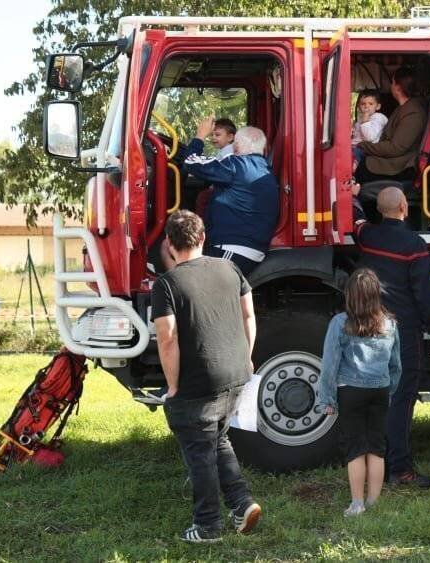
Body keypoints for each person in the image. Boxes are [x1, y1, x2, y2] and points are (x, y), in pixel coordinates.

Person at [151, 210, 261, 543]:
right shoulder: (229, 268)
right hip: (236, 373)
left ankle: (208, 524)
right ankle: (241, 503)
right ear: (202, 238)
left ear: (169, 244)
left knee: (199, 453)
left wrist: (172, 386)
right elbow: (249, 314)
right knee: (217, 439)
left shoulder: (167, 284)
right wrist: (247, 357)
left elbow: (167, 338)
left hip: (199, 381)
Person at [351, 186, 430, 488]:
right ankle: (401, 470)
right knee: (402, 398)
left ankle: (375, 464)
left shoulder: (368, 236)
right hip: (404, 330)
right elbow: (424, 292)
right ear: (404, 206)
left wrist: (353, 195)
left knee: (378, 396)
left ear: (379, 210)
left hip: (372, 328)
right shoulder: (414, 244)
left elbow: (355, 219)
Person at [317, 268, 402, 517]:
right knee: (377, 447)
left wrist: (327, 398)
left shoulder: (340, 323)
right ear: (376, 294)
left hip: (351, 391)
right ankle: (374, 502)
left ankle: (357, 504)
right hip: (380, 390)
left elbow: (330, 364)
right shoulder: (390, 324)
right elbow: (396, 365)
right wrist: (389, 389)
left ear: (350, 295)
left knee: (355, 448)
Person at [183, 125, 279, 276]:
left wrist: (200, 136)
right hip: (250, 249)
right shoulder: (265, 169)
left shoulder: (236, 165)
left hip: (231, 248)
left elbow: (191, 162)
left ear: (237, 146)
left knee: (199, 283)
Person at [354, 67, 427, 184]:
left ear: (398, 87)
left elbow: (395, 148)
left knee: (354, 170)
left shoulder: (413, 112)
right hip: (391, 159)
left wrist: (363, 146)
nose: (391, 86)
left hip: (398, 165)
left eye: (392, 82)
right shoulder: (402, 108)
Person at [351, 90, 388, 164]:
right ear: (359, 106)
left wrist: (365, 122)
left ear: (378, 106)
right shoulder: (360, 120)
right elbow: (356, 135)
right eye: (363, 104)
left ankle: (353, 165)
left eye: (370, 104)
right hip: (356, 145)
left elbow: (369, 137)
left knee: (354, 154)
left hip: (368, 148)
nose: (366, 106)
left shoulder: (378, 117)